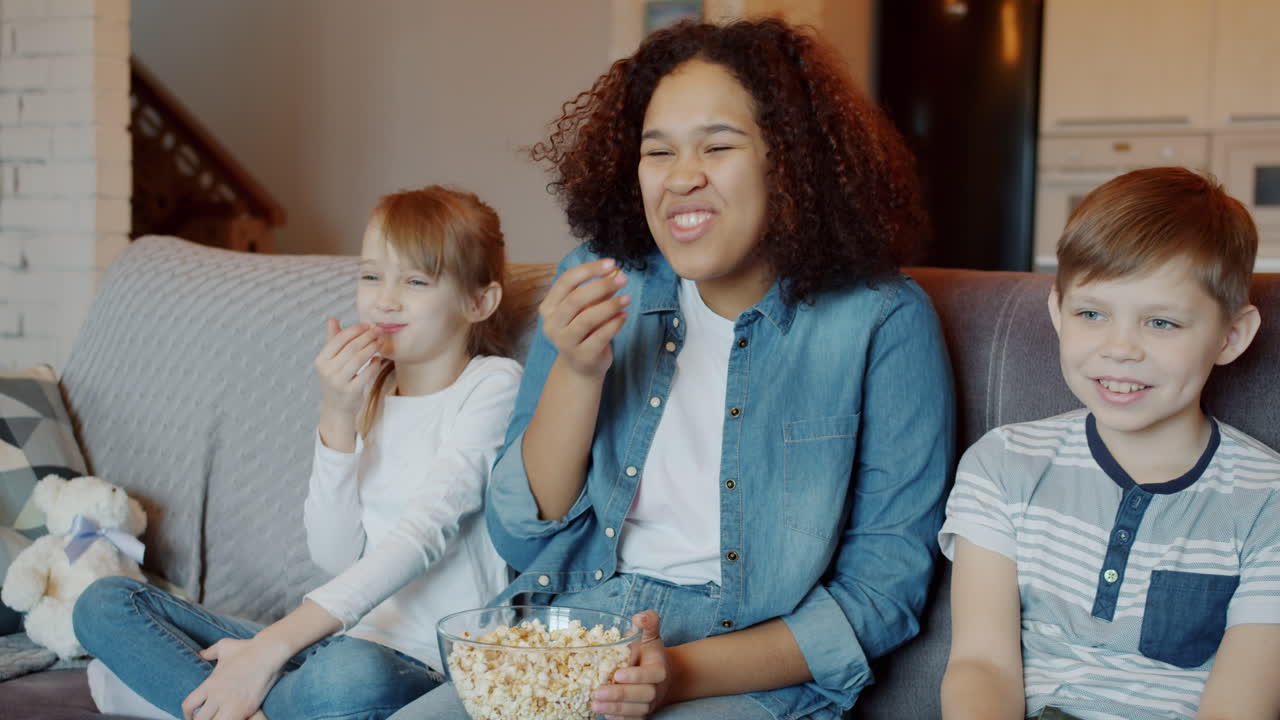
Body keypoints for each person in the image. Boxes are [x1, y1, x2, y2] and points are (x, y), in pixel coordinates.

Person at [392, 18, 954, 720]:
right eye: (658, 153)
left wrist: (675, 673)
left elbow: (882, 594)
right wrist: (576, 369)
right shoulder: (598, 280)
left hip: (743, 666)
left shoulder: (880, 321)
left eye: (718, 146)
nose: (682, 178)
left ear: (793, 162)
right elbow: (522, 533)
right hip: (575, 636)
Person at [73, 185, 527, 720]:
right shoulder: (368, 391)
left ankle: (179, 697)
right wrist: (336, 412)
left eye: (415, 281)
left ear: (479, 301)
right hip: (331, 640)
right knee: (103, 604)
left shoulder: (492, 385)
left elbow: (422, 536)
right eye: (371, 276)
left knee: (343, 683)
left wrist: (269, 648)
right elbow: (333, 557)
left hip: (426, 659)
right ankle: (242, 701)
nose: (385, 299)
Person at [939, 167, 1280, 720]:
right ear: (1057, 312)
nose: (1119, 349)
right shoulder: (1003, 464)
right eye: (1092, 314)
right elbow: (982, 665)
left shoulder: (1267, 503)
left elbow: (1239, 706)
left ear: (1231, 335)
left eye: (1162, 323)